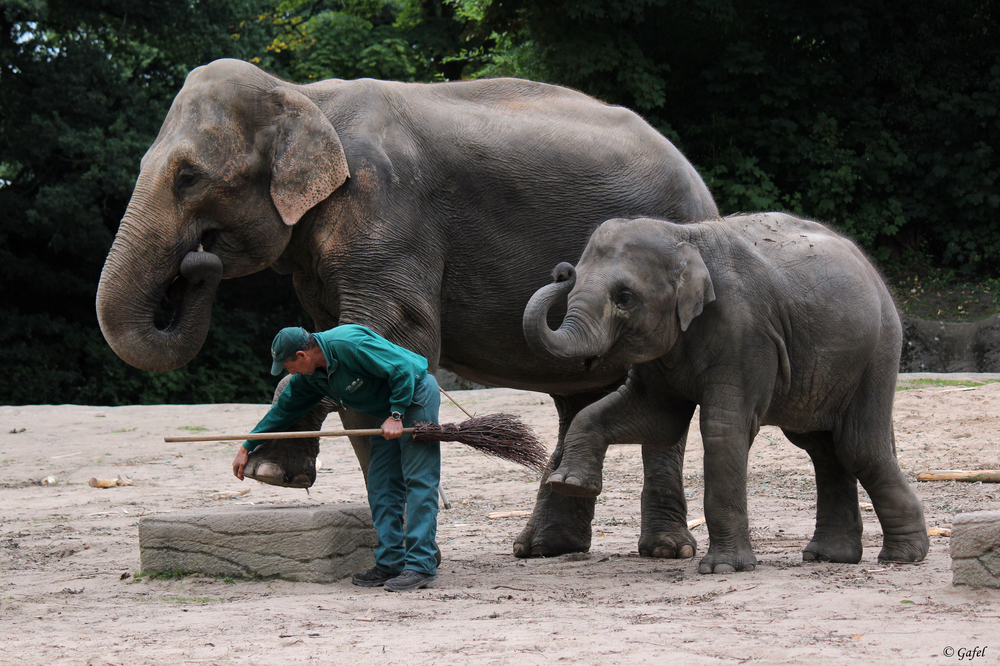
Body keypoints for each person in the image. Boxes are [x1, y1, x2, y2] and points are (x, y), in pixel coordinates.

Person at [233, 324, 441, 592]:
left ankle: (421, 566)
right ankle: (390, 563)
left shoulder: (349, 344)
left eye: (289, 366)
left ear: (302, 355)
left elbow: (402, 367)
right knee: (381, 484)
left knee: (418, 480)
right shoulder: (310, 377)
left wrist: (397, 414)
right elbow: (284, 411)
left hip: (415, 395)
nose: (290, 372)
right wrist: (247, 445)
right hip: (387, 410)